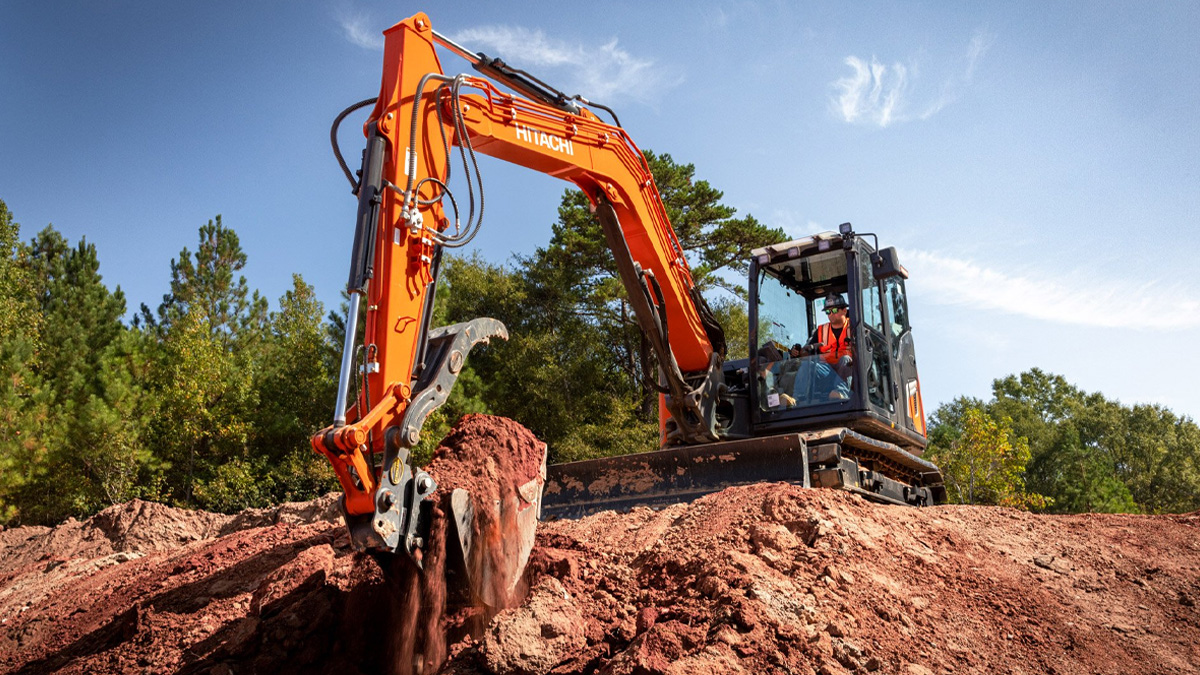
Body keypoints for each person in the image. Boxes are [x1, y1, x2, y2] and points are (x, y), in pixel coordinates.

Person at [791, 292, 853, 401]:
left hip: (847, 372)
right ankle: (797, 398)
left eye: (834, 310)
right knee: (807, 364)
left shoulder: (854, 328)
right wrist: (798, 352)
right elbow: (806, 352)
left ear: (844, 310)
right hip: (827, 372)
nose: (831, 314)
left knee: (846, 359)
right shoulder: (820, 331)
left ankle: (840, 392)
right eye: (828, 311)